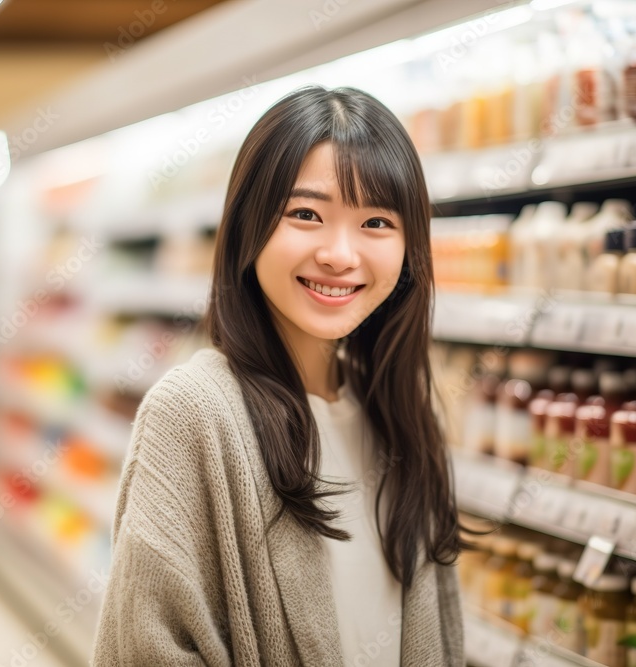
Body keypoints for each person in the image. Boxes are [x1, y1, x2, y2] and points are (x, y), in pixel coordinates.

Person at [92, 86, 467, 666]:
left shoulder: (399, 413)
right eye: (306, 214)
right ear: (249, 225)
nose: (340, 254)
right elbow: (145, 651)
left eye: (375, 222)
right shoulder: (193, 412)